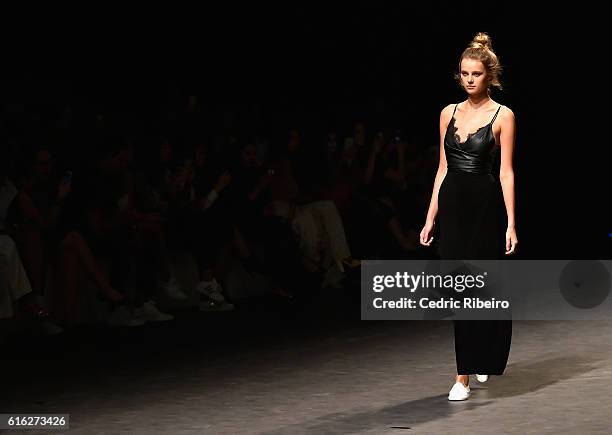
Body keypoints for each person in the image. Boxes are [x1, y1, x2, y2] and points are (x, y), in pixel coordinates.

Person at [419, 32, 518, 401]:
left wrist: (511, 222)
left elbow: (506, 171)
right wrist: (431, 218)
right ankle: (461, 375)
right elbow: (442, 168)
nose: (469, 79)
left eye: (476, 73)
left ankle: (483, 355)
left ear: (489, 75)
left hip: (485, 207)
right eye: (464, 73)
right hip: (454, 208)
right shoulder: (447, 113)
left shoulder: (503, 115)